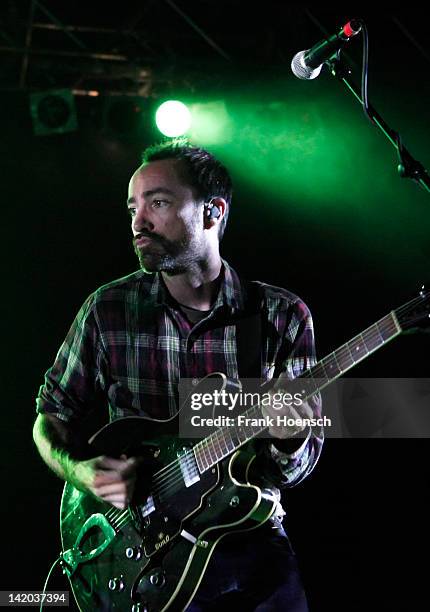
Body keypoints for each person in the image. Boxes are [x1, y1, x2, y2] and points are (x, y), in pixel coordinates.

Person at [33, 139, 324, 611]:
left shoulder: (280, 315)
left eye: (158, 203)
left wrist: (290, 438)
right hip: (139, 554)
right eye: (133, 207)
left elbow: (296, 466)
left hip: (245, 539)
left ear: (213, 212)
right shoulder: (108, 310)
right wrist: (81, 471)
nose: (138, 222)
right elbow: (50, 418)